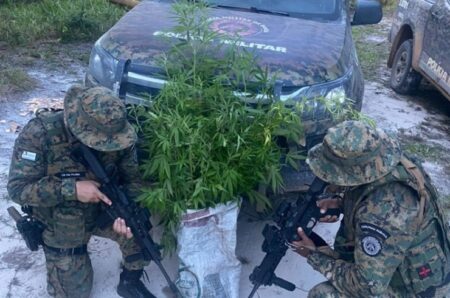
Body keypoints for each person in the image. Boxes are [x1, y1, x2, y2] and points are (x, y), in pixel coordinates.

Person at [7, 85, 155, 298]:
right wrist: (72, 189)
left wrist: (125, 213)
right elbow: (18, 189)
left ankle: (129, 282)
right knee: (75, 294)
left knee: (139, 234)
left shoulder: (116, 131)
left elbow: (133, 179)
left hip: (106, 209)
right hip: (63, 219)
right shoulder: (40, 133)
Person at [291, 120, 450, 297]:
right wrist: (341, 203)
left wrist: (313, 256)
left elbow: (367, 287)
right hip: (406, 263)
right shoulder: (386, 162)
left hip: (416, 290)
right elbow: (365, 189)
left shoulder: (384, 211)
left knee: (323, 294)